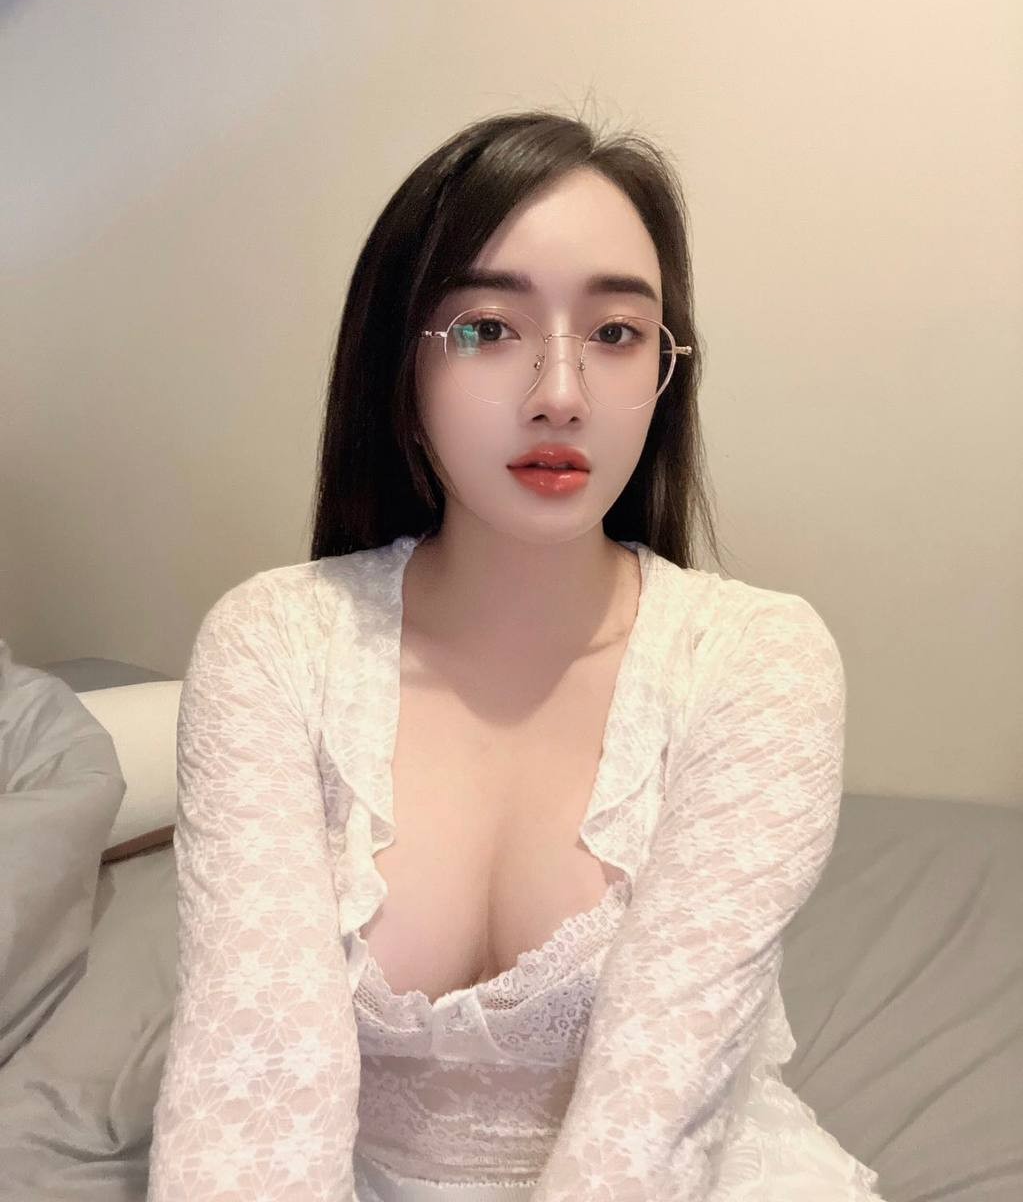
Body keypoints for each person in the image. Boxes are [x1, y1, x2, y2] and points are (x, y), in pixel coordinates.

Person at [147, 108, 887, 1201]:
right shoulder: (274, 644)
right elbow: (252, 1087)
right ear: (399, 366)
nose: (560, 394)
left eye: (617, 333)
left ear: (665, 370)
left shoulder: (758, 662)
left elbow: (650, 1126)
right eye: (488, 327)